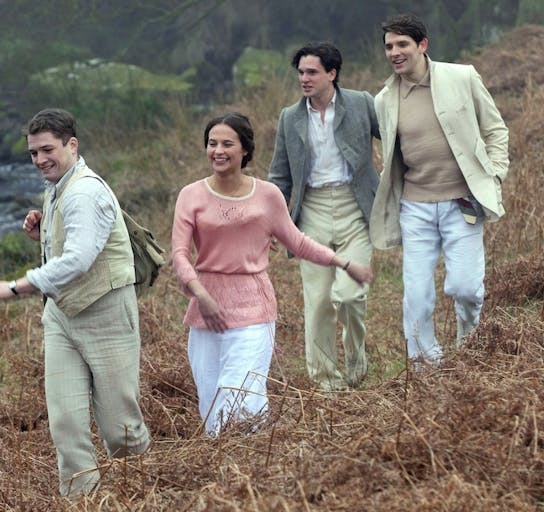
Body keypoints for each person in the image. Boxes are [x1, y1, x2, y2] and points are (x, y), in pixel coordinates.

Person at [0, 108, 150, 497]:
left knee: (120, 427)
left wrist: (16, 286)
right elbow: (69, 245)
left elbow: (79, 260)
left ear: (72, 145)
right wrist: (44, 232)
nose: (40, 160)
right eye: (33, 153)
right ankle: (81, 502)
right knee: (66, 423)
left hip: (106, 312)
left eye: (47, 150)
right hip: (61, 317)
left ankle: (142, 495)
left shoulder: (86, 191)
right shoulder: (57, 187)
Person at [171, 112, 373, 435]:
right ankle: (226, 477)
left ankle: (252, 465)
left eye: (227, 144)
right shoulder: (191, 195)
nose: (217, 151)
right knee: (210, 405)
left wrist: (344, 263)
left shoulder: (267, 195)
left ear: (245, 150)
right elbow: (179, 255)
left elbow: (298, 241)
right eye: (212, 144)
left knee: (240, 397)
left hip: (253, 307)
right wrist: (200, 294)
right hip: (205, 310)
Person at [370, 14, 509, 365]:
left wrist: (495, 177)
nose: (395, 52)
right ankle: (426, 370)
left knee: (465, 289)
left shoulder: (462, 77)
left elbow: (495, 131)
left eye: (402, 44)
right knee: (416, 297)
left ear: (422, 45)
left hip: (462, 202)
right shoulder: (384, 100)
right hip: (415, 207)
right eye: (389, 46)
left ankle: (469, 343)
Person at [267, 41, 380, 391]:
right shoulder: (290, 117)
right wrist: (270, 220)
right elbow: (279, 175)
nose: (304, 78)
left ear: (332, 74)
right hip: (311, 210)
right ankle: (327, 385)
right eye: (301, 72)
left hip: (355, 206)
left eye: (312, 72)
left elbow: (394, 139)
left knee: (348, 295)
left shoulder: (361, 103)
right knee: (317, 302)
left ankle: (356, 359)